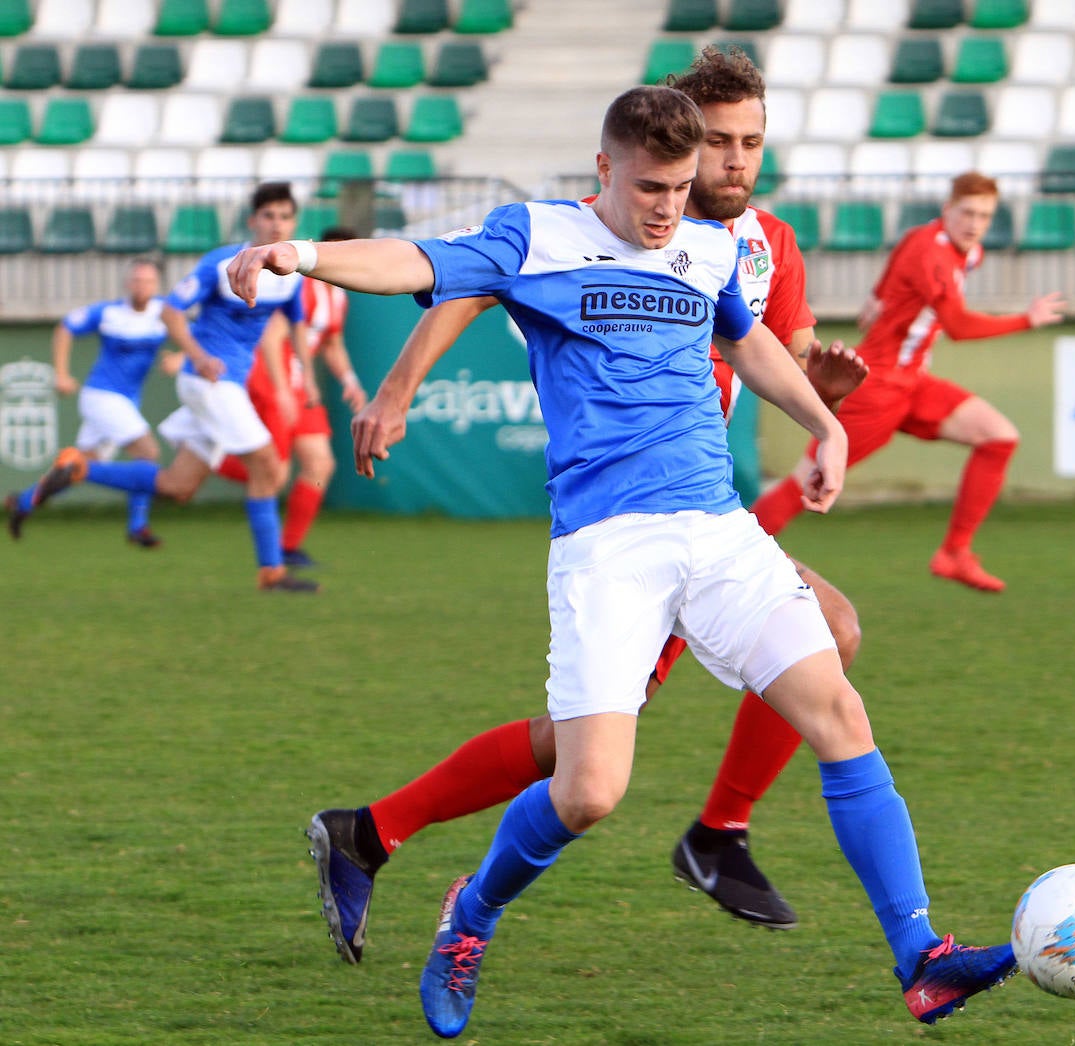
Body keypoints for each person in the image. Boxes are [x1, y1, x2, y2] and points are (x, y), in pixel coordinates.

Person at [229, 85, 1014, 1037]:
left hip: (719, 534)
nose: (666, 208)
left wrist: (822, 422)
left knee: (840, 708)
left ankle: (920, 957)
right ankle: (469, 916)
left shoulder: (713, 245)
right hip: (610, 548)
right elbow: (416, 263)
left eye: (681, 188)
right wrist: (299, 255)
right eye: (649, 186)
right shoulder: (538, 237)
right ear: (605, 170)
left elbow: (748, 337)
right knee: (590, 789)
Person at [304, 48, 865, 965]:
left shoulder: (764, 247)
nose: (732, 162)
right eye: (714, 141)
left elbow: (783, 358)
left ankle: (714, 832)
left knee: (818, 640)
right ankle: (389, 840)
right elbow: (474, 281)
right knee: (584, 759)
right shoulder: (589, 230)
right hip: (626, 515)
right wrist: (399, 386)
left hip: (704, 515)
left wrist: (823, 395)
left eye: (749, 143)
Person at [751, 172, 1067, 593]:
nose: (974, 224)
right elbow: (957, 325)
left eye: (985, 216)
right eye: (967, 213)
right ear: (947, 211)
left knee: (998, 436)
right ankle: (734, 555)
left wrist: (877, 298)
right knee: (804, 485)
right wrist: (1026, 319)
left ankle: (954, 554)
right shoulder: (931, 253)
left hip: (911, 383)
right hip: (874, 387)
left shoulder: (963, 251)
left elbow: (896, 271)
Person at [15, 182, 320, 593]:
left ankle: (83, 468)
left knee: (178, 486)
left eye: (284, 216)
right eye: (268, 215)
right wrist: (195, 354)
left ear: (294, 221)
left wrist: (304, 384)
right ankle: (272, 571)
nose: (276, 223)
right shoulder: (221, 263)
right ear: (252, 221)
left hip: (227, 386)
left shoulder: (291, 274)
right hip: (211, 383)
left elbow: (296, 327)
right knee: (270, 468)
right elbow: (172, 311)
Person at [217, 225, 369, 568]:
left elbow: (331, 343)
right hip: (274, 379)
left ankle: (288, 548)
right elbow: (272, 337)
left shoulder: (339, 294)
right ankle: (212, 455)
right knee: (276, 473)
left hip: (301, 385)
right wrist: (283, 389)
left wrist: (349, 381)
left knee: (320, 464)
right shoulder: (305, 286)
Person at [6, 259, 173, 546]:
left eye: (148, 281)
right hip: (102, 396)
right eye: (136, 280)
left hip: (126, 402)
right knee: (148, 453)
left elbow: (195, 338)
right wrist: (61, 374)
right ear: (127, 283)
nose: (141, 286)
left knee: (82, 468)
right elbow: (65, 328)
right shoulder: (109, 313)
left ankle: (23, 502)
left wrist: (181, 359)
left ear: (157, 285)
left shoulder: (165, 313)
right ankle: (138, 525)